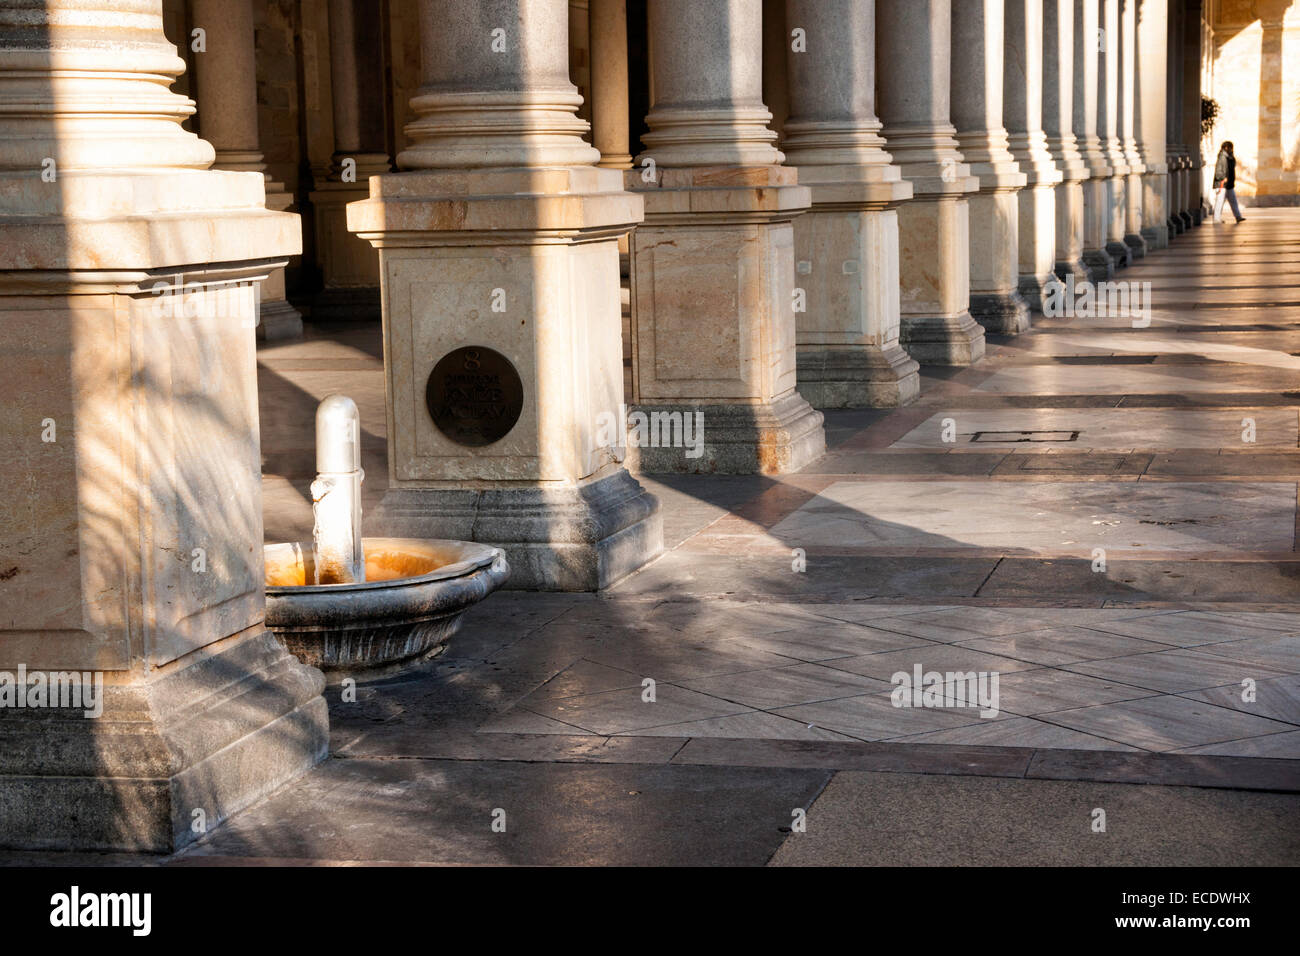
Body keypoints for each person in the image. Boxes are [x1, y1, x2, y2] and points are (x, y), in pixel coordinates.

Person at [1212, 141, 1246, 223]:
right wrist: (1223, 178)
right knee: (1219, 202)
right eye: (1230, 147)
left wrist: (1232, 157)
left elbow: (1232, 166)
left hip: (1229, 184)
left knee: (1233, 201)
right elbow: (1218, 172)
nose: (1232, 149)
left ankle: (1238, 216)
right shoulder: (1222, 158)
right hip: (1222, 184)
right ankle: (1216, 219)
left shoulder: (1229, 157)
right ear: (1226, 148)